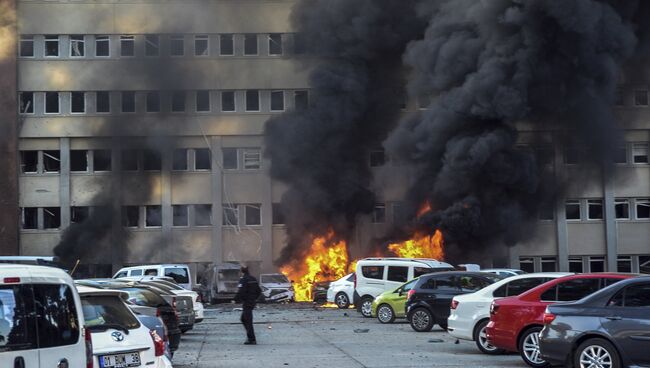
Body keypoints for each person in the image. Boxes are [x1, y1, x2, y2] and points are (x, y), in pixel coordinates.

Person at [233, 265, 261, 345]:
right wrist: (254, 299)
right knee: (244, 319)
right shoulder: (253, 279)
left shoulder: (243, 280)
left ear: (242, 272)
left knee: (247, 320)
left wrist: (235, 299)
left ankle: (252, 339)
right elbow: (259, 291)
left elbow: (241, 291)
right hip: (251, 302)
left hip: (247, 303)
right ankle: (250, 337)